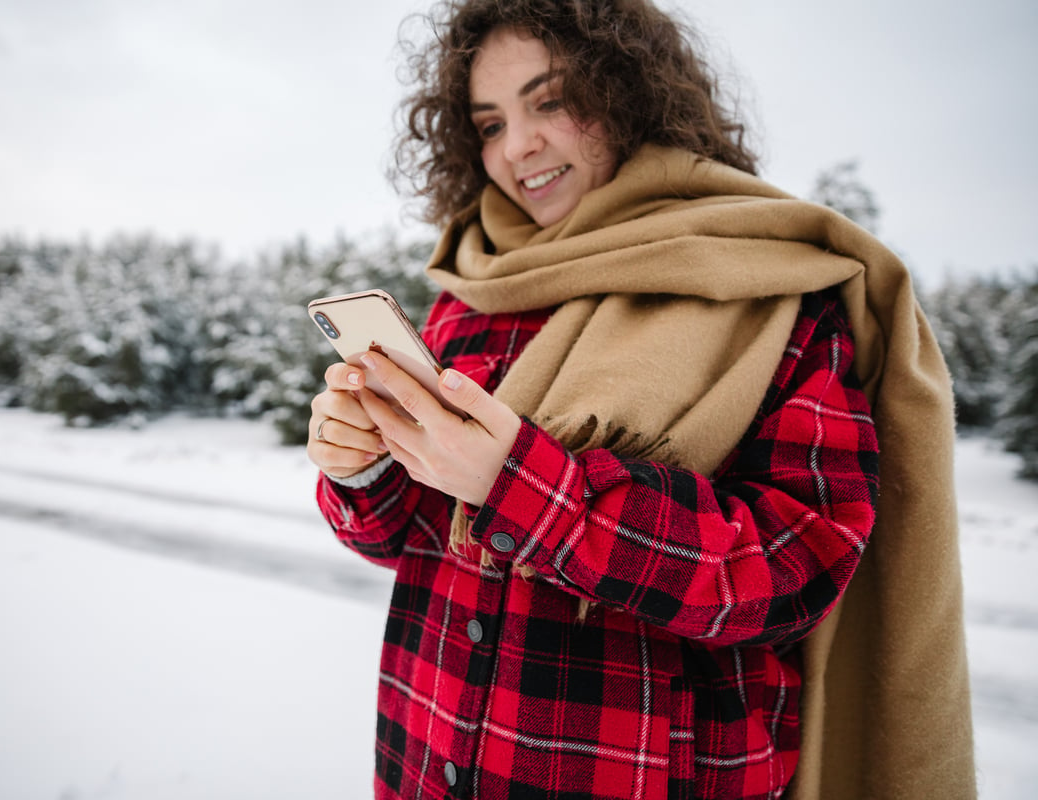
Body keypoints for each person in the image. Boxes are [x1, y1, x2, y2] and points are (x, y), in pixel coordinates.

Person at [306, 1, 975, 798]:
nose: (518, 147)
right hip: (428, 763)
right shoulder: (476, 292)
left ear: (629, 91)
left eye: (551, 101)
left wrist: (525, 489)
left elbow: (799, 565)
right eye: (488, 124)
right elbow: (419, 540)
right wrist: (362, 471)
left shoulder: (765, 284)